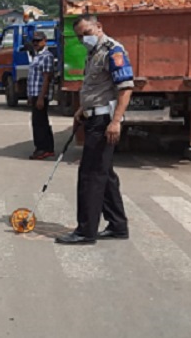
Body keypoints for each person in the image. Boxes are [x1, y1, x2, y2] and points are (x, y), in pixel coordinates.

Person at [55, 14, 133, 245]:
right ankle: (118, 225)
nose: (83, 39)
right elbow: (95, 87)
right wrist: (82, 110)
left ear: (99, 27)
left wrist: (116, 121)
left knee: (90, 176)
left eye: (87, 33)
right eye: (79, 37)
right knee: (105, 174)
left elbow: (125, 88)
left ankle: (86, 231)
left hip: (104, 121)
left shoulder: (113, 51)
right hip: (93, 116)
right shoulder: (93, 52)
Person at [27, 31, 55, 159]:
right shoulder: (36, 56)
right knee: (40, 122)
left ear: (45, 41)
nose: (36, 44)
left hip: (40, 95)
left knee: (39, 123)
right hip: (34, 94)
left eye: (38, 41)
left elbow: (46, 78)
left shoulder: (46, 56)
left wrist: (40, 98)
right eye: (34, 41)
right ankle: (46, 147)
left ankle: (43, 148)